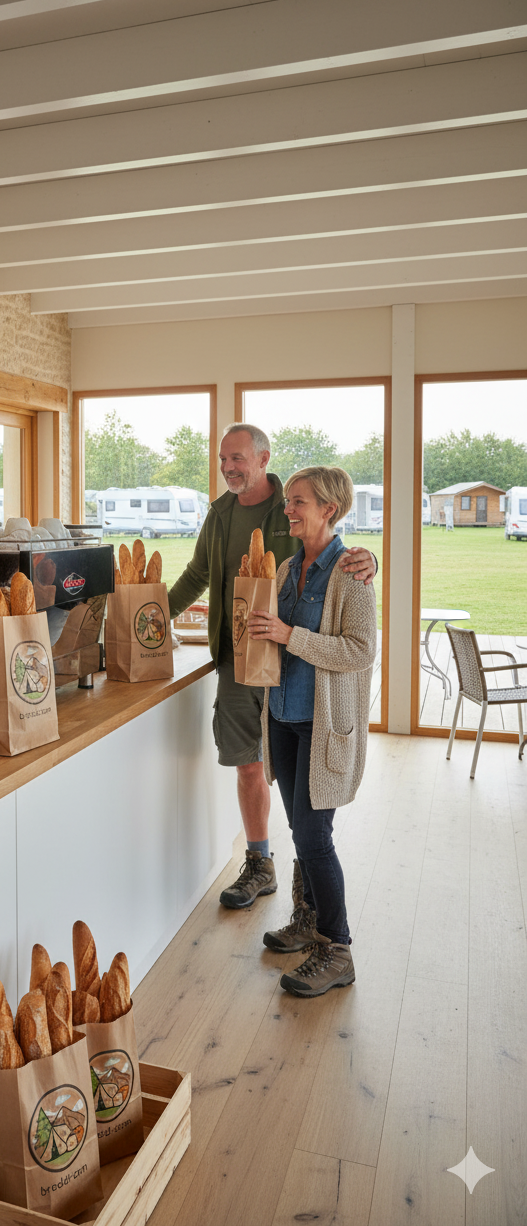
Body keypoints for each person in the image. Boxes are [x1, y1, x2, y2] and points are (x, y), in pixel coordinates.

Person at [167, 424, 376, 911]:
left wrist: (369, 562)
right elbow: (198, 573)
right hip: (238, 659)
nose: (228, 468)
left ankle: (311, 896)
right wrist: (151, 617)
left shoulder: (296, 503)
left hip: (297, 669)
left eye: (237, 458)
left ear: (262, 459)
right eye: (222, 459)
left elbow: (333, 563)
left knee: (304, 789)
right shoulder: (219, 514)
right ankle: (260, 864)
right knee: (249, 762)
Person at [248, 466, 376, 997]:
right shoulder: (285, 570)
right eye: (289, 502)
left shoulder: (351, 572)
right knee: (301, 829)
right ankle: (305, 919)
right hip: (283, 719)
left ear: (330, 508)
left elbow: (360, 651)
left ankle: (337, 947)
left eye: (298, 502)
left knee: (312, 837)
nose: (289, 509)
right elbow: (272, 637)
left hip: (324, 728)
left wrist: (289, 634)